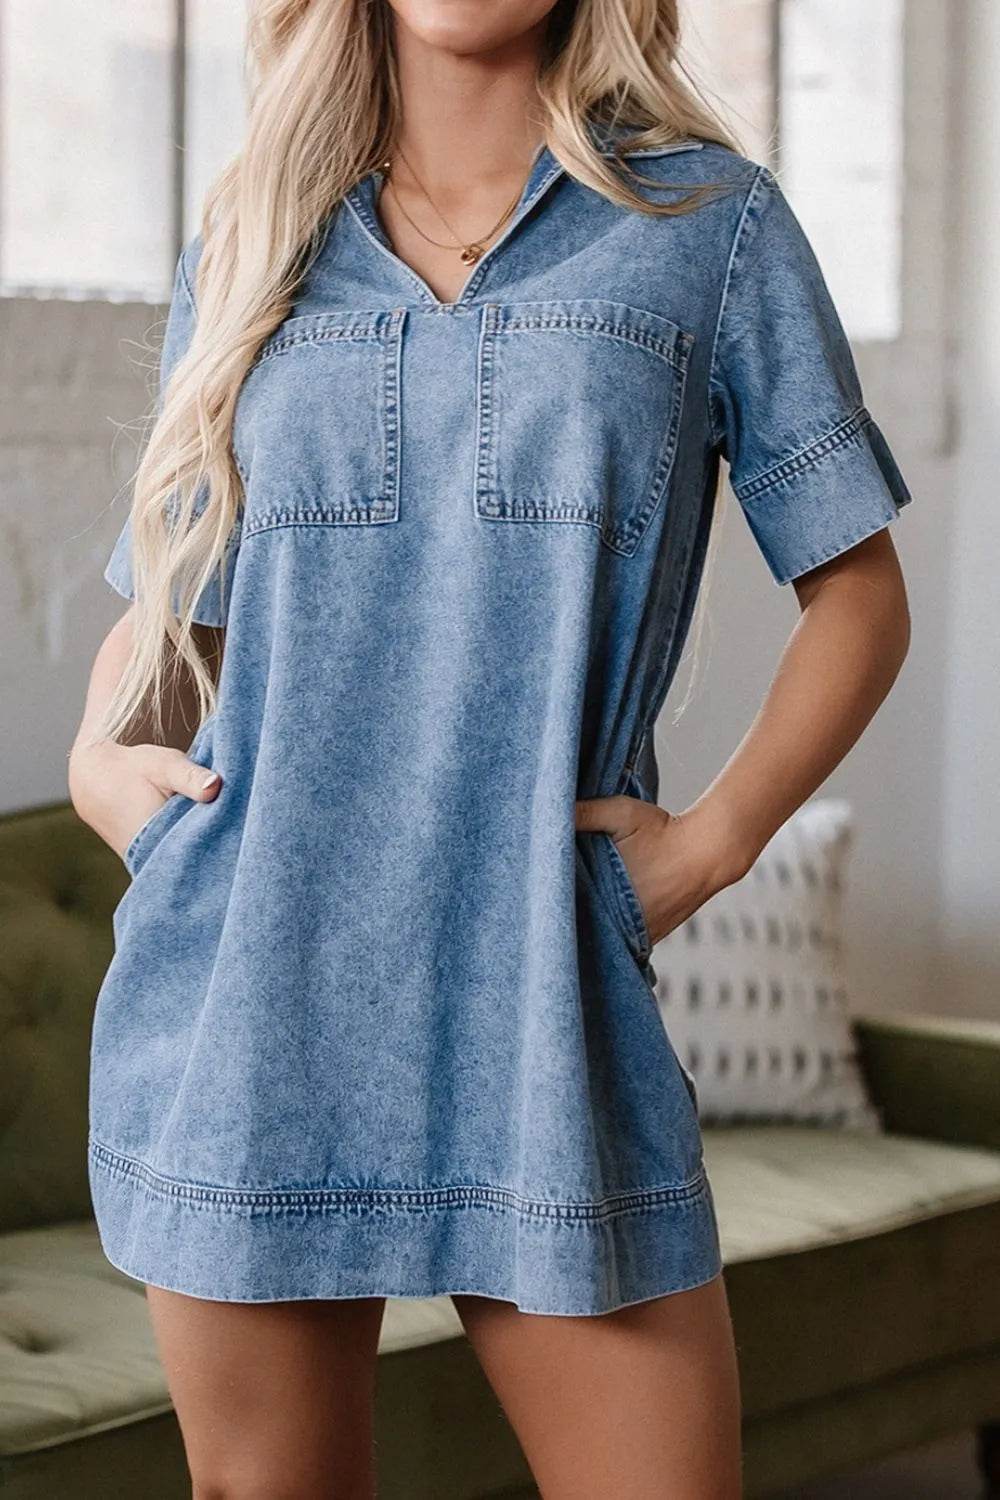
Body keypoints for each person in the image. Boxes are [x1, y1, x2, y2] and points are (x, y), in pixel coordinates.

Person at [68, 1, 913, 1495]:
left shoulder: (708, 225)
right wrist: (98, 755)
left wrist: (712, 847)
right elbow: (180, 596)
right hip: (249, 1003)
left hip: (544, 998)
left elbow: (860, 597)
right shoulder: (256, 230)